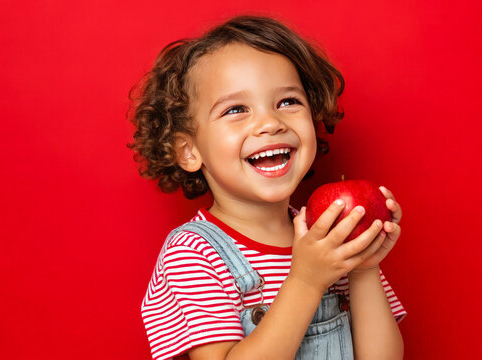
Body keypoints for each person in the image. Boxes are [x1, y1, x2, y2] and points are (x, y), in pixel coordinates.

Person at [128, 15, 406, 360]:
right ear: (189, 151)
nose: (270, 123)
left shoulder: (328, 237)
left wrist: (363, 267)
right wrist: (306, 281)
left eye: (288, 102)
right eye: (236, 109)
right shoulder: (193, 254)